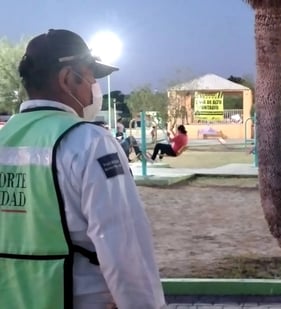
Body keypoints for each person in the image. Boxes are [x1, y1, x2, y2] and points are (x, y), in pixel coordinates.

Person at [0, 29, 165, 309]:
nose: (94, 89)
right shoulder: (89, 142)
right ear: (67, 79)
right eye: (91, 78)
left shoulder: (4, 140)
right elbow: (123, 247)